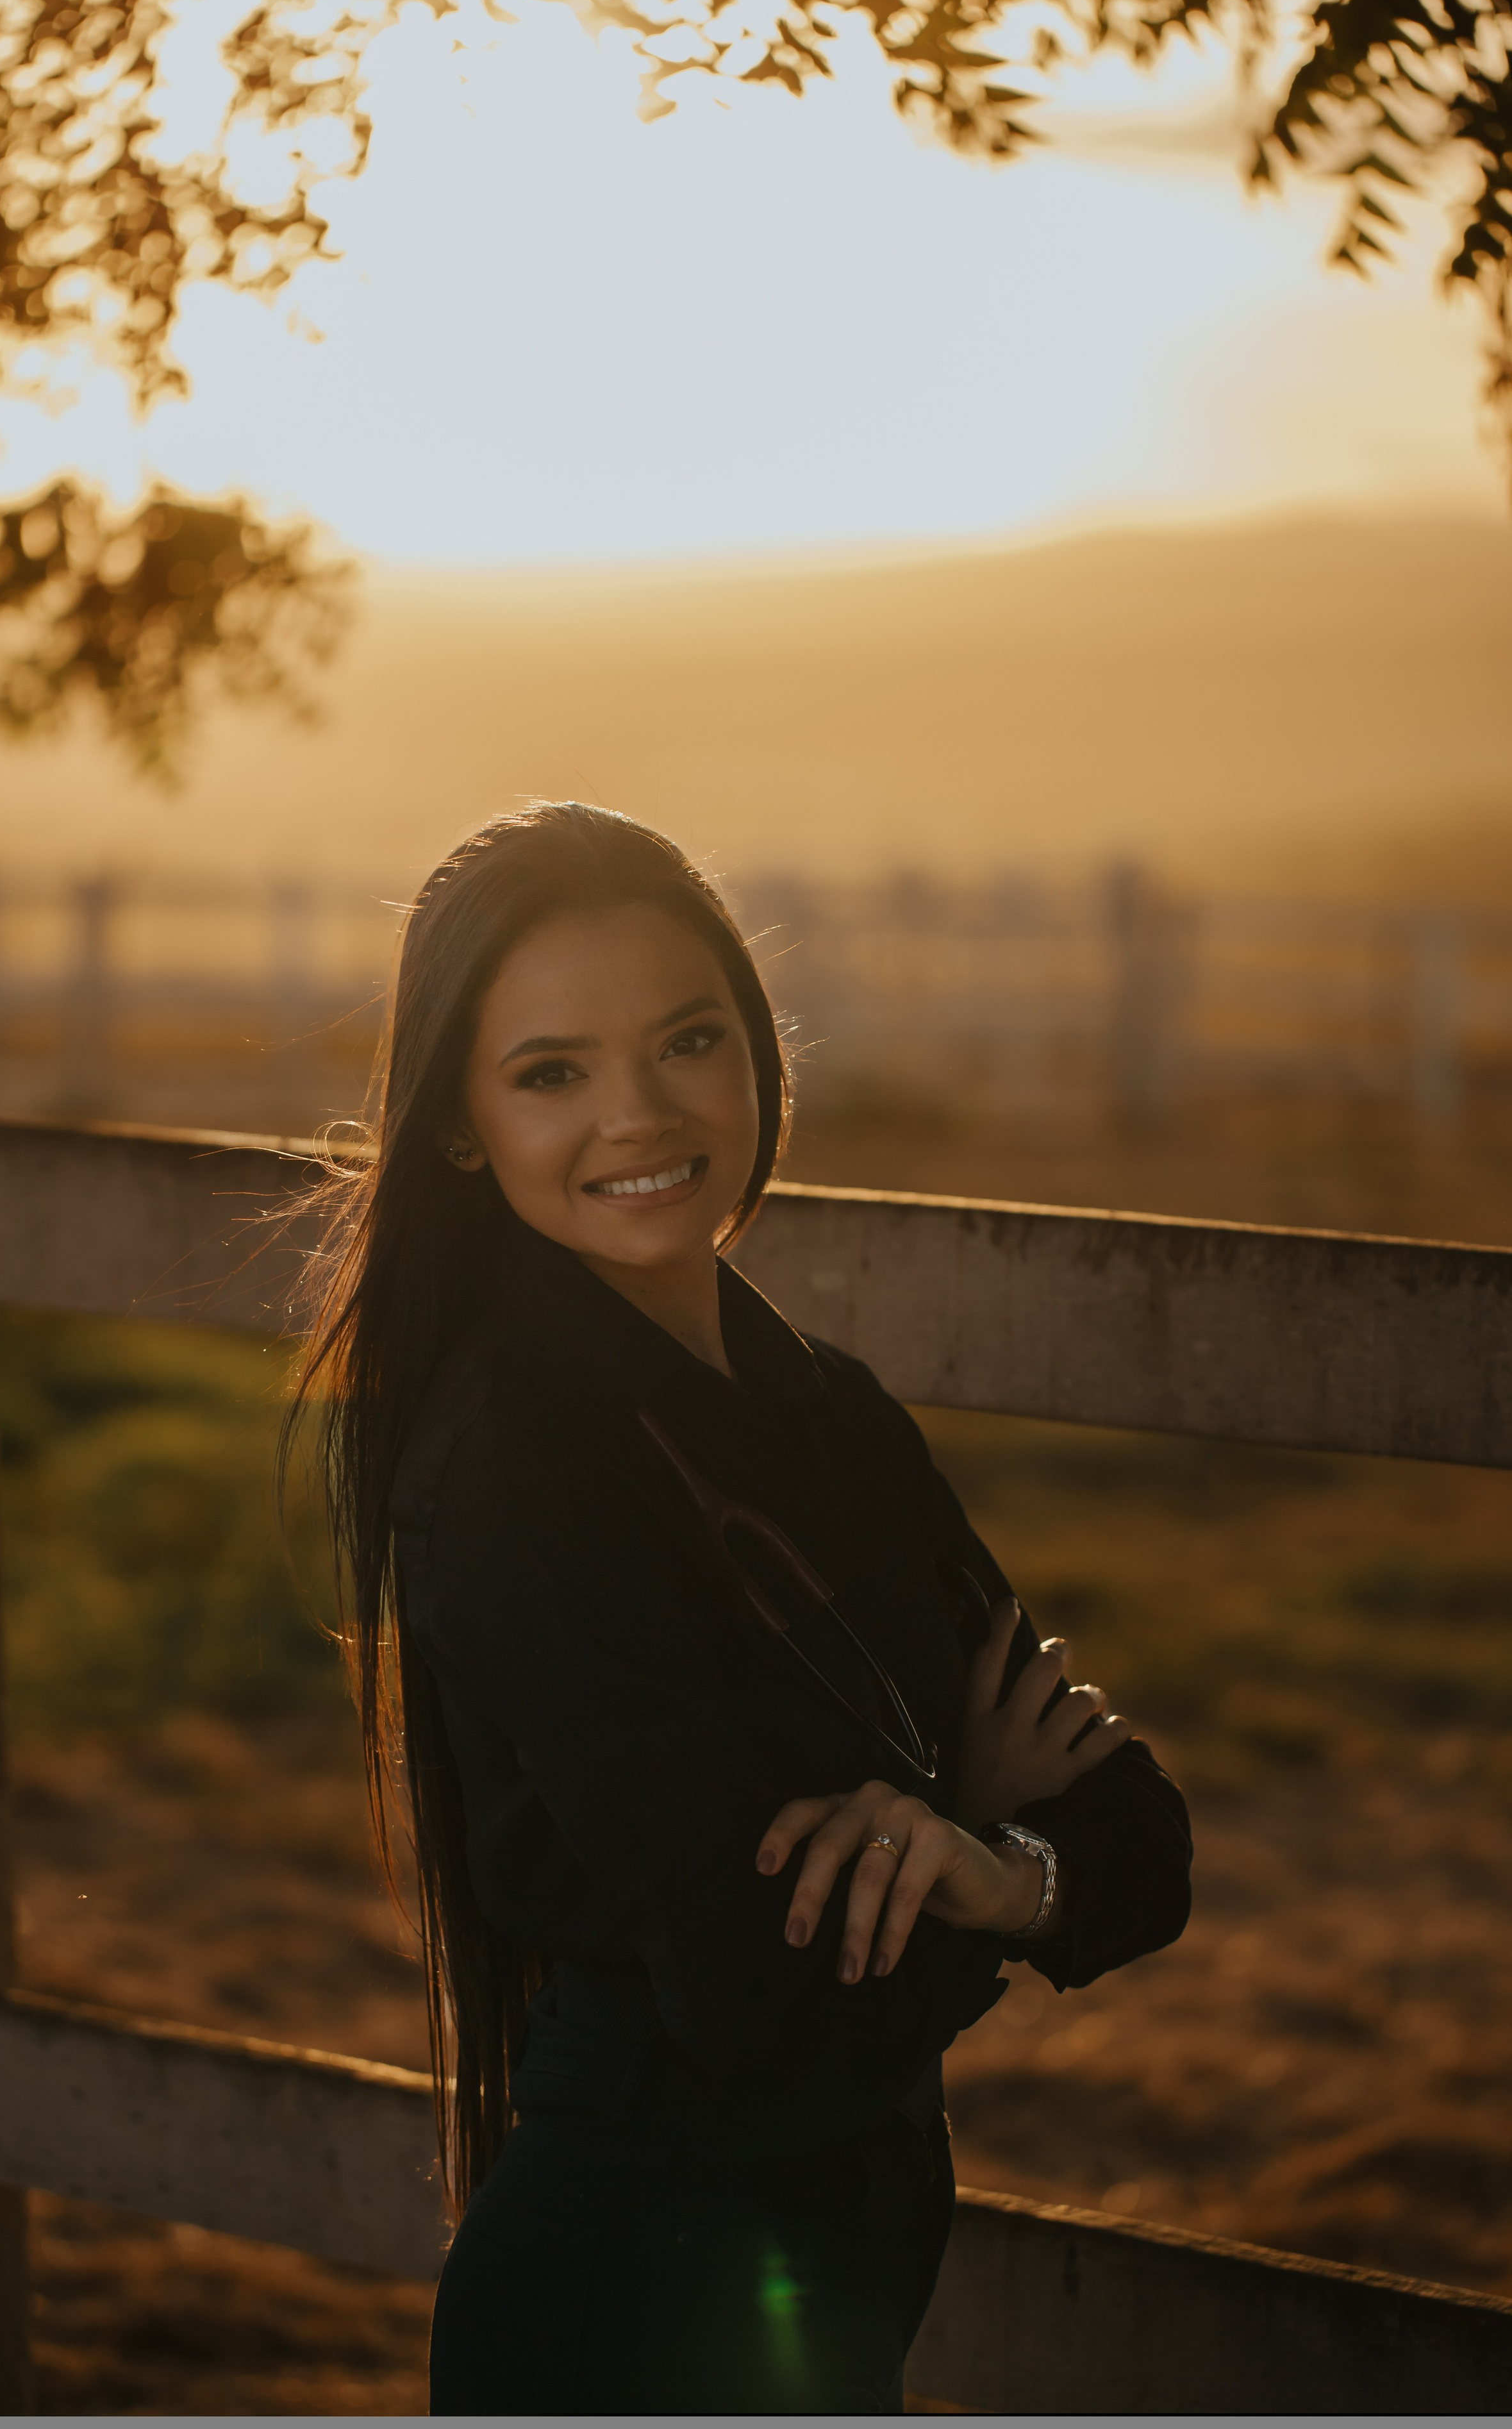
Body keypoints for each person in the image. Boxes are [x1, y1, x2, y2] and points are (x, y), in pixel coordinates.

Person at [288, 801, 1192, 2416]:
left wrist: (991, 1872)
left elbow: (1137, 1843)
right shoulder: (511, 1467)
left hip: (841, 2247)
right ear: (456, 1127)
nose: (638, 1114)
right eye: (550, 1070)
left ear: (756, 1054)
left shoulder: (830, 1408)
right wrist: (968, 1819)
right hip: (633, 2281)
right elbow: (751, 1985)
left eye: (686, 1040)